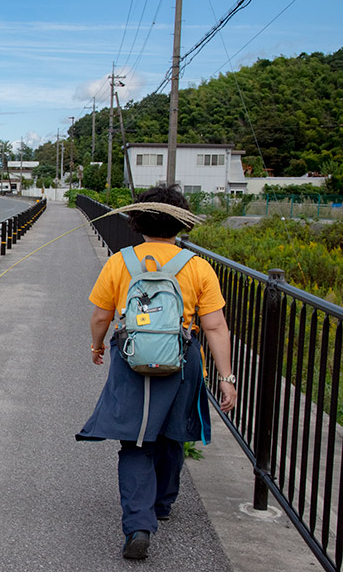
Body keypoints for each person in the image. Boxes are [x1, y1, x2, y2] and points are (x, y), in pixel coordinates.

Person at [76, 185, 237, 560]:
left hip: (132, 357)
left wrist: (97, 346)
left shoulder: (121, 262)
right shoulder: (197, 267)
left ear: (137, 221)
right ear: (181, 223)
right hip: (182, 359)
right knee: (172, 432)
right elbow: (215, 326)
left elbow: (101, 315)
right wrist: (226, 378)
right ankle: (163, 503)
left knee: (135, 440)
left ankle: (138, 525)